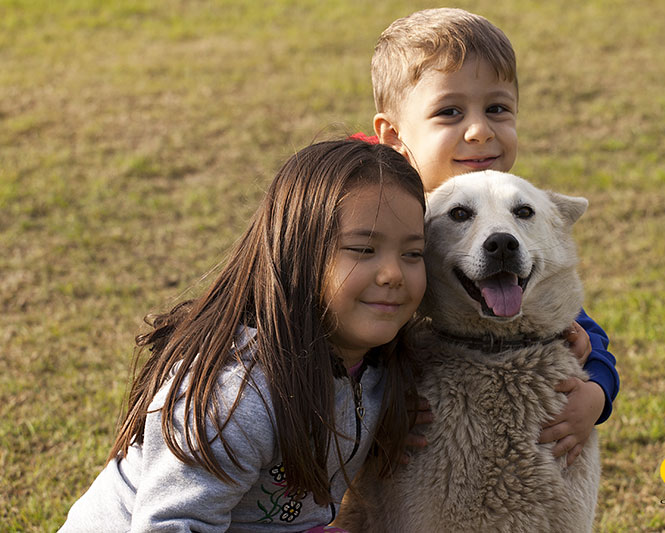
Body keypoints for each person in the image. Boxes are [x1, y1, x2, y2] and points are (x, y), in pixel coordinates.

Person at [59, 140, 427, 532]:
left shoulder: (375, 365)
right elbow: (169, 524)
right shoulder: (236, 395)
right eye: (363, 249)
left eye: (413, 254)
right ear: (298, 254)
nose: (393, 274)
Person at [356, 7, 619, 466]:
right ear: (395, 136)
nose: (479, 131)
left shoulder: (509, 204)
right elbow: (337, 332)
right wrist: (376, 407)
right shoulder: (367, 209)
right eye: (450, 112)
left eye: (496, 109)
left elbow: (576, 322)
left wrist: (595, 390)